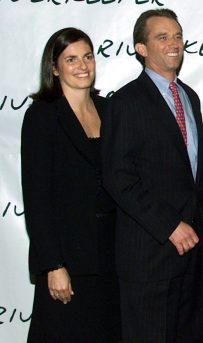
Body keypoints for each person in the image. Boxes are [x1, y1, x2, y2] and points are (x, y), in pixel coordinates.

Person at [101, 9, 203, 342]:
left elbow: (189, 170)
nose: (174, 43)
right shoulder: (125, 102)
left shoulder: (190, 97)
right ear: (141, 48)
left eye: (178, 35)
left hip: (193, 253)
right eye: (162, 36)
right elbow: (117, 177)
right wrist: (168, 226)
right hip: (150, 257)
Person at [21, 27, 121, 342]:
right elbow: (37, 197)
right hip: (68, 260)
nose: (82, 66)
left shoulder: (108, 110)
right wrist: (53, 264)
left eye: (88, 57)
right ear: (54, 68)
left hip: (111, 256)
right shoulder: (42, 116)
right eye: (71, 59)